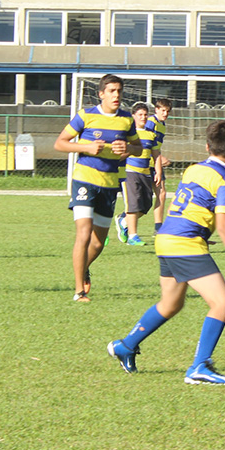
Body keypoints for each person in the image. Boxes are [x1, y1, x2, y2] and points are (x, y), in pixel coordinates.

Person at [107, 120, 225, 384]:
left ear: (207, 146)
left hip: (166, 237)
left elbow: (193, 206)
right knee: (223, 302)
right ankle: (199, 367)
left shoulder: (193, 169)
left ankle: (126, 346)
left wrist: (200, 232)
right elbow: (223, 224)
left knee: (171, 304)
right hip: (185, 242)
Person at [54, 74, 140, 302]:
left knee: (98, 242)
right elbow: (60, 143)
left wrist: (128, 149)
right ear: (101, 94)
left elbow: (139, 148)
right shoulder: (86, 116)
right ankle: (79, 291)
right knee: (83, 234)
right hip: (84, 180)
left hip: (110, 185)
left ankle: (83, 268)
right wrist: (86, 146)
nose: (116, 95)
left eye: (119, 91)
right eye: (111, 91)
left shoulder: (126, 120)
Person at [119, 102, 154, 246]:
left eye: (145, 115)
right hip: (129, 172)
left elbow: (156, 153)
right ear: (133, 116)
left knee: (146, 205)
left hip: (145, 173)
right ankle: (133, 236)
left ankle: (123, 220)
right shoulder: (128, 134)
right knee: (133, 204)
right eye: (140, 115)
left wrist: (158, 171)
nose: (143, 117)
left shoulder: (151, 134)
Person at [149, 98, 172, 233]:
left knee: (161, 193)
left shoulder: (162, 125)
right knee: (144, 199)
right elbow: (146, 140)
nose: (165, 113)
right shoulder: (151, 122)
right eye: (163, 110)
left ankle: (158, 227)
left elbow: (156, 146)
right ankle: (124, 218)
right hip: (145, 163)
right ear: (156, 109)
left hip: (155, 163)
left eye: (167, 111)